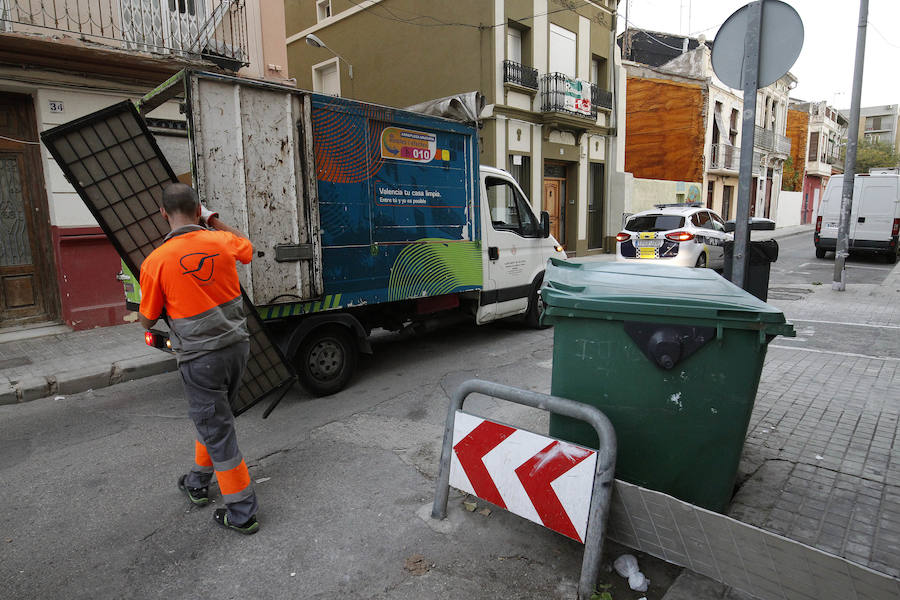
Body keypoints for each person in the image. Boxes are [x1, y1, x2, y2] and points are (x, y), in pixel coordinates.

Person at [138, 182, 260, 535]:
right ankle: (197, 482)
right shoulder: (220, 241)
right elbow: (248, 248)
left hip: (199, 358)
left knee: (218, 431)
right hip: (238, 348)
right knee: (213, 420)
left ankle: (242, 513)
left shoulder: (155, 262)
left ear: (163, 213)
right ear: (198, 210)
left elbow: (147, 318)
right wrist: (214, 220)